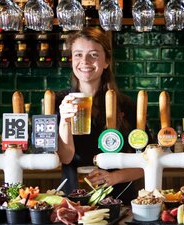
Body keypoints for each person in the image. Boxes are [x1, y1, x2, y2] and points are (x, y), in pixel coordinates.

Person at [56, 27, 148, 204]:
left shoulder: (125, 105)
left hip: (120, 200)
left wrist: (114, 177)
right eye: (78, 54)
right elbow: (66, 157)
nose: (85, 61)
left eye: (94, 54)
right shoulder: (59, 102)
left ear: (107, 61)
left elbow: (147, 161)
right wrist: (65, 122)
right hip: (75, 203)